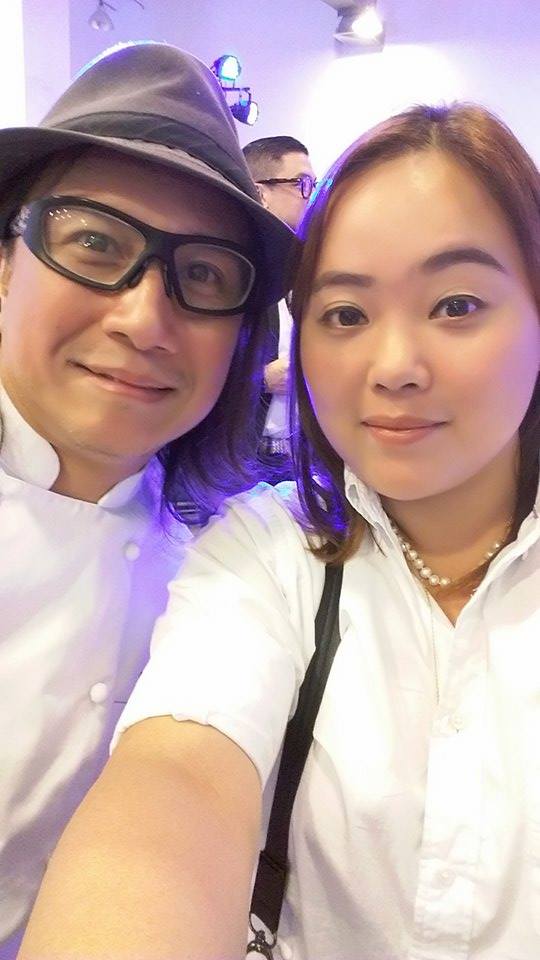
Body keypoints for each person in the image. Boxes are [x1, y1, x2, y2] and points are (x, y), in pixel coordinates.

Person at [19, 102, 540, 960]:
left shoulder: (182, 519)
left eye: (455, 304)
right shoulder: (264, 554)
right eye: (345, 314)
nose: (395, 367)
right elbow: (175, 783)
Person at [0, 40, 294, 958]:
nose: (142, 319)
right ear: (5, 264)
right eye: (94, 243)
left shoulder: (233, 563)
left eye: (203, 275)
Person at [243, 137, 316, 478]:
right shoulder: (235, 276)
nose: (310, 196)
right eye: (301, 183)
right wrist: (261, 380)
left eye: (314, 184)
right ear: (261, 193)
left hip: (299, 458)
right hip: (241, 461)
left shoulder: (306, 273)